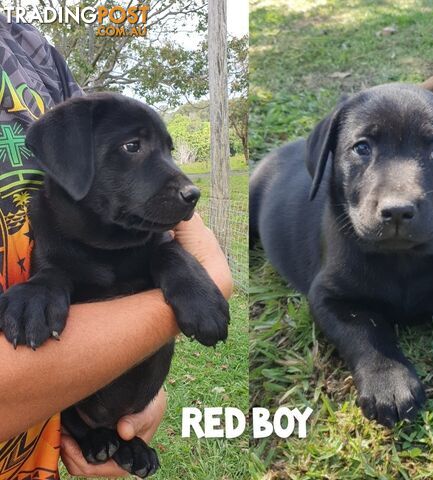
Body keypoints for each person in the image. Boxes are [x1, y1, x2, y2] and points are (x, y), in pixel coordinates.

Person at [0, 17, 232, 479]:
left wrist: (135, 384)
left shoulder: (28, 47)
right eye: (135, 147)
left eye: (161, 150)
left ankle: (95, 432)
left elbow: (93, 121)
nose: (184, 185)